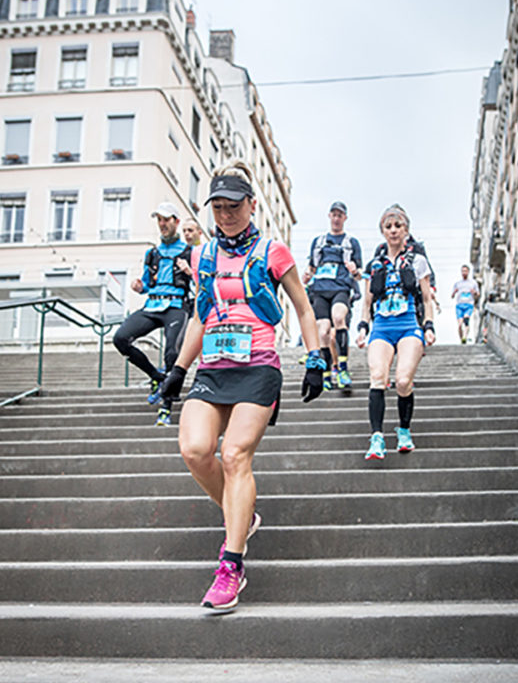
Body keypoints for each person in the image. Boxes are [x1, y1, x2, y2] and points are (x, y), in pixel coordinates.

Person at [160, 162, 325, 612]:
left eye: (235, 206)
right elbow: (199, 315)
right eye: (219, 206)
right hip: (213, 368)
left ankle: (231, 565)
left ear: (252, 204)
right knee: (195, 450)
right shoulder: (202, 257)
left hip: (258, 366)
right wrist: (178, 369)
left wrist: (315, 358)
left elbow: (304, 308)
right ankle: (243, 516)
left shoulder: (274, 251)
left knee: (234, 455)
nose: (227, 214)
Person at [356, 204, 436, 461]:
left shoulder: (418, 261)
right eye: (388, 226)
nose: (393, 230)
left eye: (398, 226)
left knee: (402, 381)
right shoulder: (374, 264)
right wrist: (362, 327)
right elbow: (367, 302)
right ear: (382, 231)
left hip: (408, 326)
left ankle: (403, 430)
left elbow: (426, 298)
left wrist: (429, 326)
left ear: (406, 230)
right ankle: (377, 437)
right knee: (377, 376)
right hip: (381, 326)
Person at [112, 202, 191, 426]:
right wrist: (140, 287)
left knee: (172, 353)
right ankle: (157, 378)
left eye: (166, 219)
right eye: (159, 220)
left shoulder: (189, 252)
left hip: (176, 306)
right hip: (152, 306)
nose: (162, 224)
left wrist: (189, 271)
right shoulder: (152, 253)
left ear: (176, 221)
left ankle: (166, 405)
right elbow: (147, 283)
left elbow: (201, 280)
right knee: (120, 338)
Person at [302, 202, 362, 394]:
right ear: (329, 216)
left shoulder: (351, 242)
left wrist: (355, 271)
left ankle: (343, 369)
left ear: (345, 218)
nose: (336, 218)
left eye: (340, 215)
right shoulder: (318, 242)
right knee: (323, 331)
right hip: (320, 289)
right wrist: (306, 276)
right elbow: (312, 267)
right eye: (334, 215)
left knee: (338, 318)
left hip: (341, 287)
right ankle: (327, 373)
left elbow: (359, 272)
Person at [452, 264, 479, 344]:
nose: (464, 273)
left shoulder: (473, 283)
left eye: (465, 271)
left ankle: (465, 336)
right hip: (459, 305)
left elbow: (478, 294)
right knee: (460, 324)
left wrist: (474, 292)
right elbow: (452, 296)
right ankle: (462, 340)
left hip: (469, 304)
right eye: (463, 271)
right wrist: (454, 292)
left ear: (468, 272)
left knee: (466, 320)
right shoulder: (458, 283)